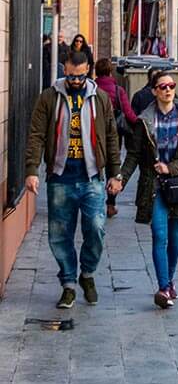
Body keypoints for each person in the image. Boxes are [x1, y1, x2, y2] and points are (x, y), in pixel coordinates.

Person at [24, 46, 121, 309]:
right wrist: (32, 169)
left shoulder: (99, 98)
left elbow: (111, 137)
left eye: (80, 76)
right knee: (59, 234)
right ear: (65, 70)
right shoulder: (49, 97)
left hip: (92, 178)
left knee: (96, 229)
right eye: (71, 76)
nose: (75, 81)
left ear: (88, 71)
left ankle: (87, 273)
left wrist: (116, 173)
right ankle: (68, 283)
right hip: (60, 178)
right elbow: (36, 135)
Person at [120, 69, 178, 310]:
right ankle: (164, 287)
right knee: (159, 234)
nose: (168, 90)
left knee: (175, 238)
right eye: (163, 87)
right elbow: (133, 155)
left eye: (171, 86)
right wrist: (120, 179)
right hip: (154, 185)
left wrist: (172, 167)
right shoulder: (144, 121)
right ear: (154, 91)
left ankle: (170, 279)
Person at [94, 60, 136, 217]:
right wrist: (140, 122)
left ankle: (95, 201)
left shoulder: (93, 88)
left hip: (94, 133)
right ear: (110, 72)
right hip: (114, 135)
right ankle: (110, 204)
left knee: (95, 165)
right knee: (113, 166)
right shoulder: (118, 90)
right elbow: (129, 113)